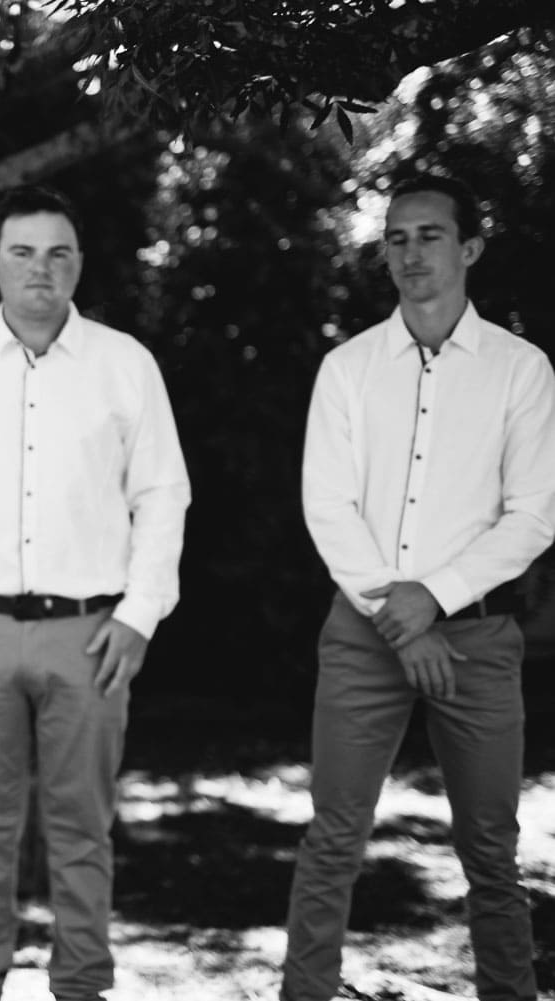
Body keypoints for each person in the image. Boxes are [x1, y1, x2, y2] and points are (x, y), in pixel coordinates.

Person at [0, 185, 190, 1001]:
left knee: (82, 830)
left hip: (90, 632)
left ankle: (81, 987)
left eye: (57, 252)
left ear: (78, 265)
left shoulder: (126, 364)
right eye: (23, 252)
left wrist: (139, 615)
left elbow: (163, 494)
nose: (41, 267)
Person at [282, 173, 555, 1001]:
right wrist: (400, 616)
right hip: (364, 632)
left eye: (430, 235)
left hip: (475, 638)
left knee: (489, 848)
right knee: (333, 836)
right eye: (396, 238)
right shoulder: (349, 368)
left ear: (469, 247)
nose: (410, 253)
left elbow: (534, 514)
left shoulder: (520, 371)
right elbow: (326, 504)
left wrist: (432, 597)